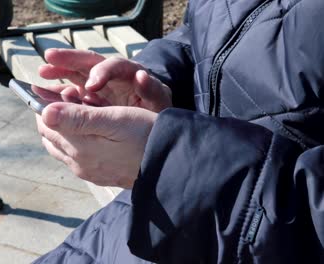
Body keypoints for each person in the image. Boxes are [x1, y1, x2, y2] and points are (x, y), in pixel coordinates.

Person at [32, 0, 324, 262]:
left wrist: (176, 163)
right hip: (174, 213)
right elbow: (198, 34)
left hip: (241, 229)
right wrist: (153, 82)